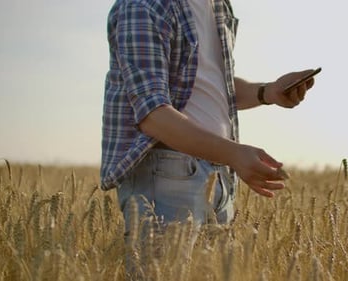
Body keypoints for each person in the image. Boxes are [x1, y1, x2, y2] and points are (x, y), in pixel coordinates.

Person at [101, 0, 316, 274]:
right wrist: (233, 153)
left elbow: (209, 84)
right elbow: (152, 113)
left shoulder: (219, 6)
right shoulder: (146, 5)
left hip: (219, 172)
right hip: (167, 171)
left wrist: (267, 91)